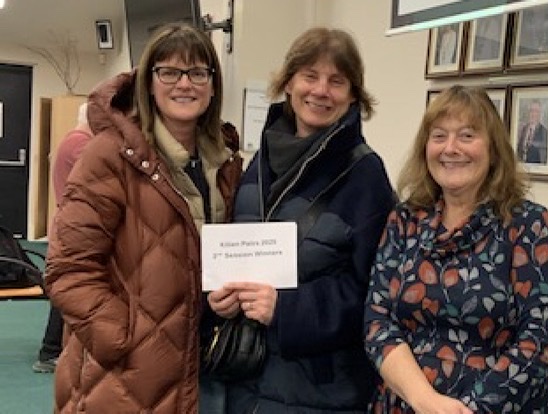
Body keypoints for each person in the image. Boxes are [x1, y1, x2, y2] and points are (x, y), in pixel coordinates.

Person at [44, 22, 243, 414]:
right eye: (169, 72)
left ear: (213, 85)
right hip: (126, 374)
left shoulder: (226, 164)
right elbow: (68, 268)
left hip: (204, 362)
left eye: (197, 72)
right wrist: (123, 338)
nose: (184, 84)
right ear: (149, 82)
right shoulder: (109, 155)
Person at [203, 27, 396, 413]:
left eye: (336, 81)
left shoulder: (366, 176)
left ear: (353, 95)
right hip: (245, 382)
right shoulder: (259, 161)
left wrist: (288, 309)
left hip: (320, 393)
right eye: (310, 76)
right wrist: (220, 299)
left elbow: (377, 295)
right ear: (288, 82)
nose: (321, 91)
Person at [364, 85, 548, 413]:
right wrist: (425, 401)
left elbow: (540, 339)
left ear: (493, 148)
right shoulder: (404, 220)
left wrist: (466, 409)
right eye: (439, 136)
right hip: (406, 404)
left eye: (467, 136)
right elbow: (378, 321)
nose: (450, 148)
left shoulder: (527, 224)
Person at [32, 102, 92, 374]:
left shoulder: (72, 140)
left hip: (70, 227)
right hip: (75, 230)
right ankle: (51, 351)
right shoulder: (81, 145)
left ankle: (54, 349)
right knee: (66, 290)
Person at [516, 99, 548, 164]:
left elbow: (544, 155)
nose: (533, 114)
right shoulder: (524, 129)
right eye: (531, 110)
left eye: (536, 111)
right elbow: (519, 149)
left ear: (540, 114)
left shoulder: (544, 132)